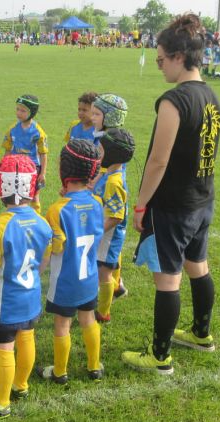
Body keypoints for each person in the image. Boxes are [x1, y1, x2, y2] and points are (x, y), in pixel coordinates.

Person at [122, 13, 220, 374]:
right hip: (202, 199)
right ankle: (201, 334)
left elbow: (158, 160)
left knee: (168, 278)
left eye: (161, 59)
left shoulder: (173, 100)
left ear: (179, 57)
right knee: (199, 266)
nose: (159, 66)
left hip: (175, 205)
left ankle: (160, 355)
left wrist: (141, 203)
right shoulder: (212, 96)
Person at [0, 154, 52, 420]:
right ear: (31, 188)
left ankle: (1, 404)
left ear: (0, 188)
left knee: (4, 346)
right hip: (31, 294)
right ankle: (21, 385)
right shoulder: (42, 223)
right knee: (27, 336)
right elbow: (44, 261)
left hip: (7, 301)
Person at [37, 139, 104, 385]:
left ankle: (60, 372)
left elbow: (56, 246)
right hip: (89, 277)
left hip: (65, 279)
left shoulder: (57, 209)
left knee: (62, 324)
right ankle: (94, 366)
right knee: (89, 319)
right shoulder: (97, 202)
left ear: (65, 170)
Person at [91, 128, 135, 323]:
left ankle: (102, 312)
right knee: (106, 267)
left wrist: (97, 232)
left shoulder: (114, 182)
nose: (98, 153)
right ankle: (116, 289)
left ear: (112, 154)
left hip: (108, 234)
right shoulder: (108, 172)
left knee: (104, 272)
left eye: (101, 150)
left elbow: (116, 216)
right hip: (106, 232)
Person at [2, 95, 48, 214]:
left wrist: (42, 173)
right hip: (14, 167)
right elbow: (7, 149)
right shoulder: (12, 129)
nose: (19, 113)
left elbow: (43, 153)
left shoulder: (38, 131)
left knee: (33, 195)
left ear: (32, 112)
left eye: (23, 110)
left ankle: (36, 217)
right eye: (17, 109)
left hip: (32, 168)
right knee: (13, 194)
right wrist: (4, 165)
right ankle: (13, 216)